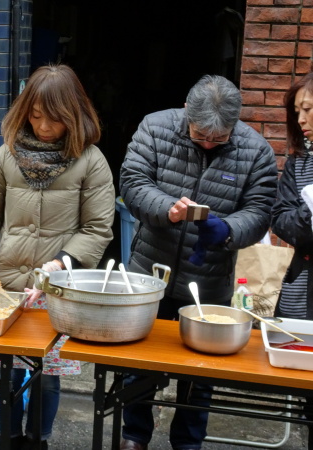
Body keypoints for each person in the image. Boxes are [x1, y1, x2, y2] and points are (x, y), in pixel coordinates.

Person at [119, 74, 278, 450]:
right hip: (150, 270)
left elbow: (259, 211)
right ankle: (133, 436)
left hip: (210, 280)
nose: (207, 142)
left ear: (234, 126)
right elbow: (132, 181)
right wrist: (166, 209)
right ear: (186, 113)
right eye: (200, 135)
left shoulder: (256, 150)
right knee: (137, 362)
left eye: (217, 139)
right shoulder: (155, 127)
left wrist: (227, 230)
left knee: (201, 372)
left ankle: (188, 443)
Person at [0, 63, 115, 449]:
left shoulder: (91, 160)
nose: (44, 126)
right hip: (7, 284)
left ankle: (39, 441)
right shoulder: (6, 155)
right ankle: (7, 439)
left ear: (74, 114)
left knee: (48, 374)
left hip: (58, 289)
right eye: (35, 115)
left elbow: (97, 229)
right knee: (5, 374)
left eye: (55, 118)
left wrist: (61, 264)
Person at [271, 71, 313, 448]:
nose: (300, 120)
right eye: (297, 111)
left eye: (308, 110)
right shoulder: (299, 163)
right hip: (304, 280)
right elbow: (280, 217)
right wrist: (308, 213)